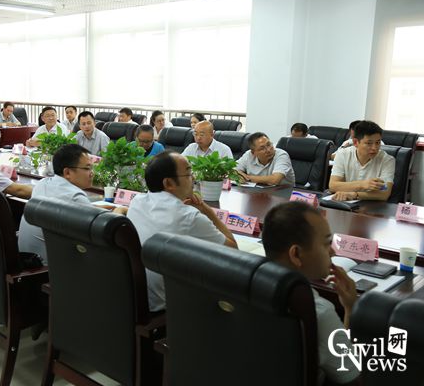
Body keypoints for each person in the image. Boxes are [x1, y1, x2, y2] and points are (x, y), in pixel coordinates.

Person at [261, 202, 360, 385]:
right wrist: (351, 310)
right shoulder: (318, 312)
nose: (333, 251)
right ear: (296, 254)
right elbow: (353, 377)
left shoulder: (246, 285)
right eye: (326, 243)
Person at [127, 151, 237, 311]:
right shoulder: (189, 216)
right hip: (168, 305)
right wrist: (208, 211)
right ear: (169, 183)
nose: (194, 178)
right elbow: (233, 250)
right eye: (189, 173)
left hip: (135, 298)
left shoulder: (137, 201)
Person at [18, 144, 127, 264]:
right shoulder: (75, 196)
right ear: (67, 172)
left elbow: (63, 206)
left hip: (27, 258)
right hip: (49, 268)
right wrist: (120, 211)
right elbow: (105, 232)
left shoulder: (43, 183)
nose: (92, 173)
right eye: (87, 168)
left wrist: (93, 209)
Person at [329, 120, 394, 201]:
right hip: (344, 203)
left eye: (377, 143)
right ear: (356, 142)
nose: (374, 148)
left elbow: (384, 194)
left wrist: (355, 194)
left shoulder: (387, 160)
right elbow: (333, 186)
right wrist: (362, 184)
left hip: (373, 205)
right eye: (369, 143)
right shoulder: (342, 154)